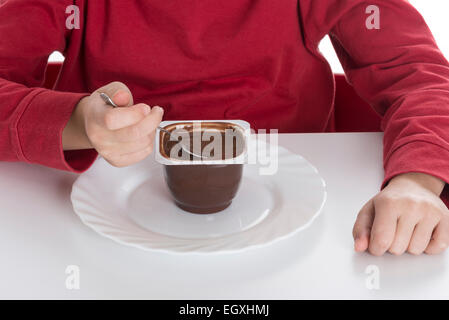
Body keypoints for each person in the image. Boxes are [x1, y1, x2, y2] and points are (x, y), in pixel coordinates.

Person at [1, 0, 448, 256]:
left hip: (297, 233)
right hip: (97, 231)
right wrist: (76, 122)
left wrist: (416, 183)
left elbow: (420, 73)